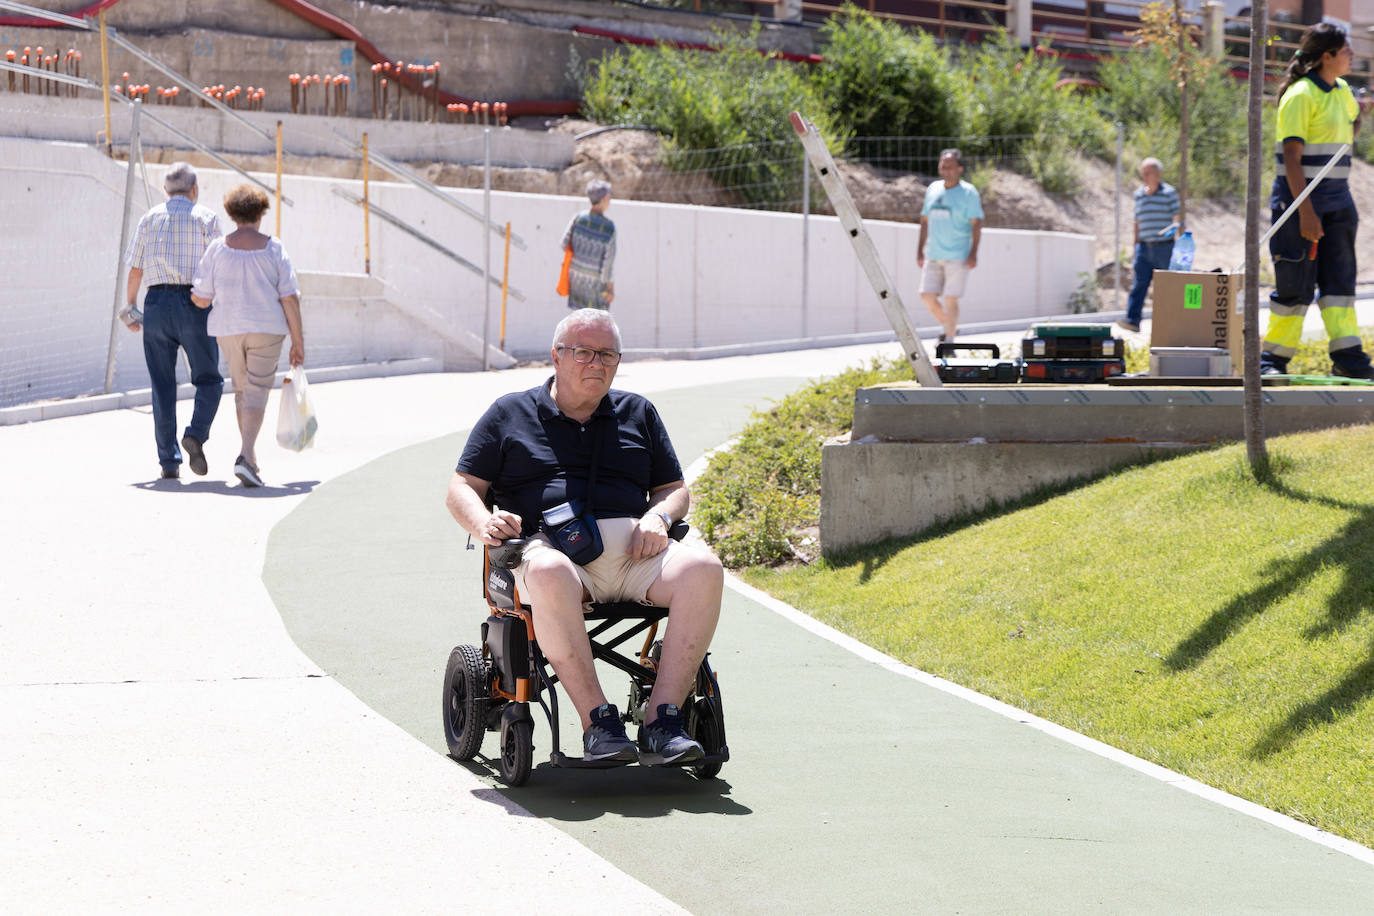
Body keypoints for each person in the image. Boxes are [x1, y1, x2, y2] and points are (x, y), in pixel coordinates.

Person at [445, 308, 723, 766]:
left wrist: (658, 516)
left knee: (704, 569)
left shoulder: (638, 412)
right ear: (556, 356)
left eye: (607, 354)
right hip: (553, 554)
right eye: (584, 352)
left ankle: (663, 721)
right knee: (551, 570)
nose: (596, 363)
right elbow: (462, 488)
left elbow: (674, 489)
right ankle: (599, 724)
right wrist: (483, 524)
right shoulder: (509, 413)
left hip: (637, 554)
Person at [1260, 23, 1374, 379]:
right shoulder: (1299, 96)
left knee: (1340, 283)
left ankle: (1349, 358)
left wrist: (1360, 114)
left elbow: (1344, 133)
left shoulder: (1341, 91)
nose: (1352, 55)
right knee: (1295, 284)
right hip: (1299, 205)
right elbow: (1291, 159)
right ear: (1327, 56)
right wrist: (1306, 214)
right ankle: (1272, 361)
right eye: (1346, 50)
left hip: (1339, 203)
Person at [190, 185, 304, 488]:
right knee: (257, 391)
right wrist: (298, 340)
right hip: (266, 328)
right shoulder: (274, 248)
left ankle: (250, 458)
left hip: (228, 328)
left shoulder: (217, 248)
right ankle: (244, 455)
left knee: (242, 391)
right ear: (261, 213)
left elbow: (202, 296)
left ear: (231, 213)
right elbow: (289, 297)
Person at [120, 162, 223, 480]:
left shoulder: (149, 218)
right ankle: (195, 433)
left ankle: (168, 462)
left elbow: (135, 268)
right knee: (209, 379)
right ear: (194, 190)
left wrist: (130, 307)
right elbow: (220, 265)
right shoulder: (206, 217)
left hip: (156, 303)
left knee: (162, 385)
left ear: (165, 191)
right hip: (195, 302)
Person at [917, 148, 983, 342]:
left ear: (960, 169)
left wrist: (973, 253)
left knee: (950, 299)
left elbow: (977, 224)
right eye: (942, 166)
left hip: (958, 255)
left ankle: (949, 341)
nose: (945, 170)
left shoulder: (969, 193)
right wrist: (919, 250)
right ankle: (949, 327)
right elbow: (924, 220)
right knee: (926, 295)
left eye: (950, 167)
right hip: (933, 253)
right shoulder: (933, 189)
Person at [1119, 157, 1181, 334]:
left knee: (1166, 287)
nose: (1145, 176)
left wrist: (1175, 236)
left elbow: (1176, 219)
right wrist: (1135, 246)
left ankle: (1168, 323)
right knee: (1139, 284)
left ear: (1158, 174)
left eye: (1149, 173)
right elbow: (1136, 222)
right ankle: (1132, 320)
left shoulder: (1169, 193)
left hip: (1164, 247)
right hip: (1144, 248)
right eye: (1143, 173)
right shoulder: (1139, 195)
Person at [560, 179, 616, 310]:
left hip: (575, 278)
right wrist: (610, 288)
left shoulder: (578, 218)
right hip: (595, 284)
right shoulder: (609, 228)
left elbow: (564, 244)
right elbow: (607, 264)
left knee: (578, 319)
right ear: (604, 198)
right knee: (596, 322)